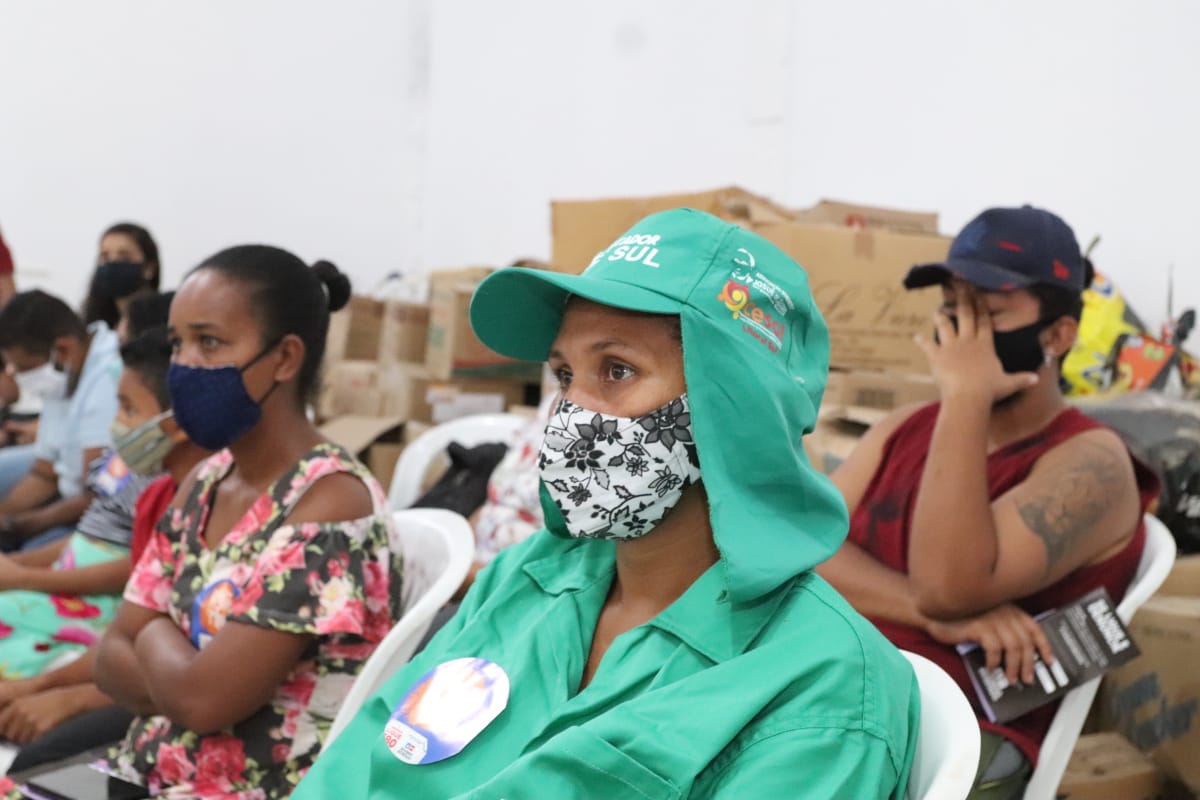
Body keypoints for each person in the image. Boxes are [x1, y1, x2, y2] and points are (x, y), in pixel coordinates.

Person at [296, 209, 918, 799]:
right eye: (565, 375)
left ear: (736, 409)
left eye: (616, 370)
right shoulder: (526, 580)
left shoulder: (822, 681)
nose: (571, 413)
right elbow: (358, 766)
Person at [817, 206, 1159, 799]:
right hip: (835, 686)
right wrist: (928, 617)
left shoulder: (1092, 463)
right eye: (954, 308)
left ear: (1057, 336)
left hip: (960, 736)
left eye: (990, 312)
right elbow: (803, 549)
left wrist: (966, 397)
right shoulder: (904, 428)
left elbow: (948, 586)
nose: (964, 332)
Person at [92, 246, 403, 798]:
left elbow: (203, 701)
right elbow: (108, 659)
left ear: (284, 359)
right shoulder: (205, 481)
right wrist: (178, 672)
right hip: (148, 770)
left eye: (209, 343)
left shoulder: (330, 504)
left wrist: (153, 628)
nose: (184, 365)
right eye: (177, 343)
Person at [0, 326, 207, 766]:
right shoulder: (149, 487)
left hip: (151, 683)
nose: (116, 425)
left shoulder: (197, 505)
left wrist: (62, 695)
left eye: (128, 408)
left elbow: (140, 610)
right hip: (125, 661)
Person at [0, 291, 121, 551]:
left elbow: (96, 496)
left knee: (26, 553)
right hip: (69, 490)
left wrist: (25, 523)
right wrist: (5, 517)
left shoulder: (108, 379)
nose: (18, 377)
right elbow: (45, 472)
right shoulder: (64, 374)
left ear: (63, 349)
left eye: (23, 368)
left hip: (97, 511)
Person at [82, 222, 161, 330]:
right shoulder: (92, 329)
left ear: (149, 268)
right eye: (105, 256)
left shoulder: (164, 323)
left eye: (124, 256)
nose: (112, 262)